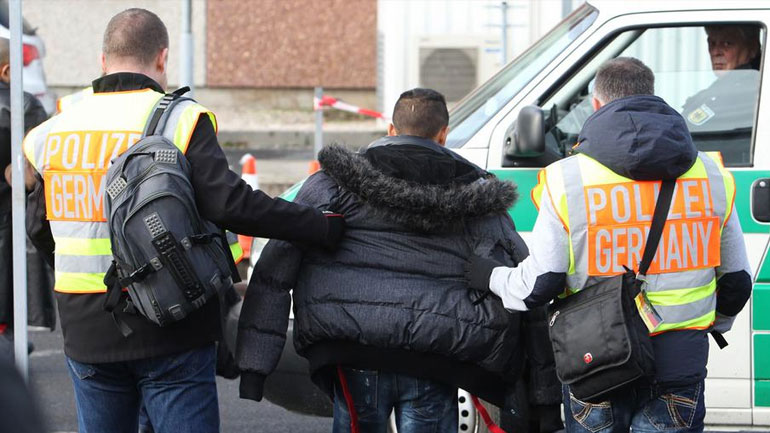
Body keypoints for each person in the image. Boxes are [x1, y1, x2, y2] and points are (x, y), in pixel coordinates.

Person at [21, 8, 344, 433]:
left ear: (103, 61)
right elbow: (230, 204)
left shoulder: (50, 132)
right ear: (162, 58)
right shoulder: (181, 119)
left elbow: (38, 227)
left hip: (85, 323)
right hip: (170, 319)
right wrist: (317, 225)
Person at [465, 57, 753, 433]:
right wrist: (708, 326)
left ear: (597, 105)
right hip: (679, 362)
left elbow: (541, 284)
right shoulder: (713, 175)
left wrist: (492, 278)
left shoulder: (566, 180)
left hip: (596, 363)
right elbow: (737, 282)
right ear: (652, 96)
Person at [237, 88, 547, 433]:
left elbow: (275, 269)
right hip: (437, 355)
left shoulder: (332, 183)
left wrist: (254, 367)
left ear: (391, 129)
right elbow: (525, 280)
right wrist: (542, 394)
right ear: (443, 134)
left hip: (351, 344)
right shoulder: (478, 191)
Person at [0, 36, 51, 345]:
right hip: (10, 215)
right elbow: (39, 168)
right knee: (10, 285)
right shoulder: (23, 106)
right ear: (6, 71)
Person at [681, 25, 761, 163]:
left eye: (727, 43)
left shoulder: (746, 91)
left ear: (752, 49)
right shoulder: (720, 91)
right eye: (712, 44)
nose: (716, 52)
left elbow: (687, 140)